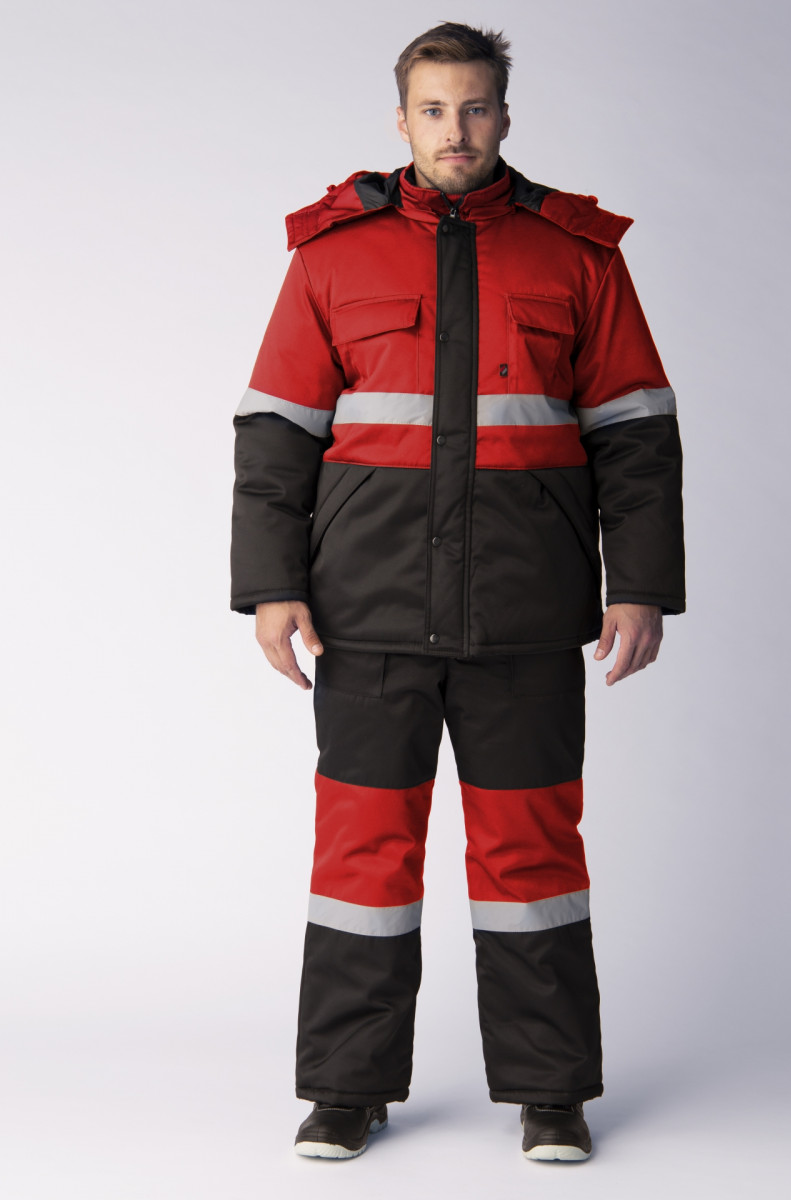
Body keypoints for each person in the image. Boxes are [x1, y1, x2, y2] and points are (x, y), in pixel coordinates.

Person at [231, 21, 684, 1163]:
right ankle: (345, 1089)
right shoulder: (331, 256)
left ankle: (550, 1091)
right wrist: (272, 586)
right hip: (367, 609)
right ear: (401, 119)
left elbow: (635, 436)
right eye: (433, 110)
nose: (455, 130)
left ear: (505, 116)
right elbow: (276, 433)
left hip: (526, 612)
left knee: (533, 859)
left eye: (475, 108)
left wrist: (640, 586)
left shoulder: (578, 256)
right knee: (363, 859)